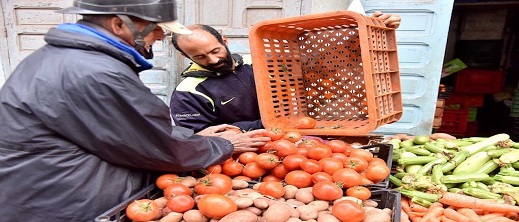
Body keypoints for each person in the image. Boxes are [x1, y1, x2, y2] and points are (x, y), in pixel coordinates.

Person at [0, 0, 270, 221]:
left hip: (44, 190)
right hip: (61, 203)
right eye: (155, 28)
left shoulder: (68, 59)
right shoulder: (94, 72)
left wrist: (197, 138)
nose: (161, 36)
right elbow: (156, 146)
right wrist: (221, 144)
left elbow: (122, 129)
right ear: (119, 24)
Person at [169, 12, 401, 133]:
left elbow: (319, 65)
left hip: (294, 135)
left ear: (225, 40)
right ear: (185, 57)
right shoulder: (188, 92)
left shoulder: (257, 62)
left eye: (215, 50)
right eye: (199, 57)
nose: (213, 59)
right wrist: (266, 124)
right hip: (250, 151)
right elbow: (198, 135)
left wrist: (369, 31)